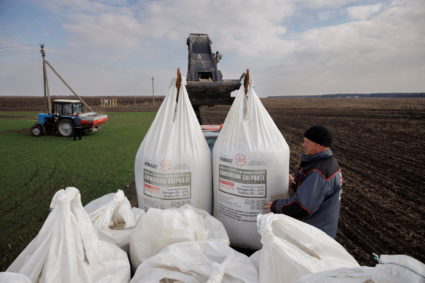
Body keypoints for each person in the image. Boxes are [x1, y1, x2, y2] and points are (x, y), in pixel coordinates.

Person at [264, 125, 342, 238]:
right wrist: (296, 183)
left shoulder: (318, 171)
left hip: (314, 235)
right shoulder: (327, 162)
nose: (303, 145)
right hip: (322, 228)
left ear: (319, 144)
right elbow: (314, 191)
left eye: (306, 142)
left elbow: (302, 207)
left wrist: (275, 206)